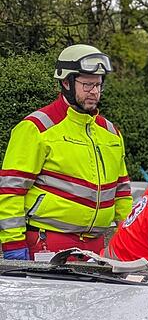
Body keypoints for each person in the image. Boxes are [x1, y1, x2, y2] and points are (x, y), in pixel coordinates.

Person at [0, 44, 131, 259]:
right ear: (66, 82)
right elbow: (11, 190)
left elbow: (123, 193)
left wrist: (129, 235)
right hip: (47, 244)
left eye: (98, 85)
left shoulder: (111, 132)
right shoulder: (37, 128)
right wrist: (13, 243)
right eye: (87, 84)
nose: (95, 92)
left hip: (97, 248)